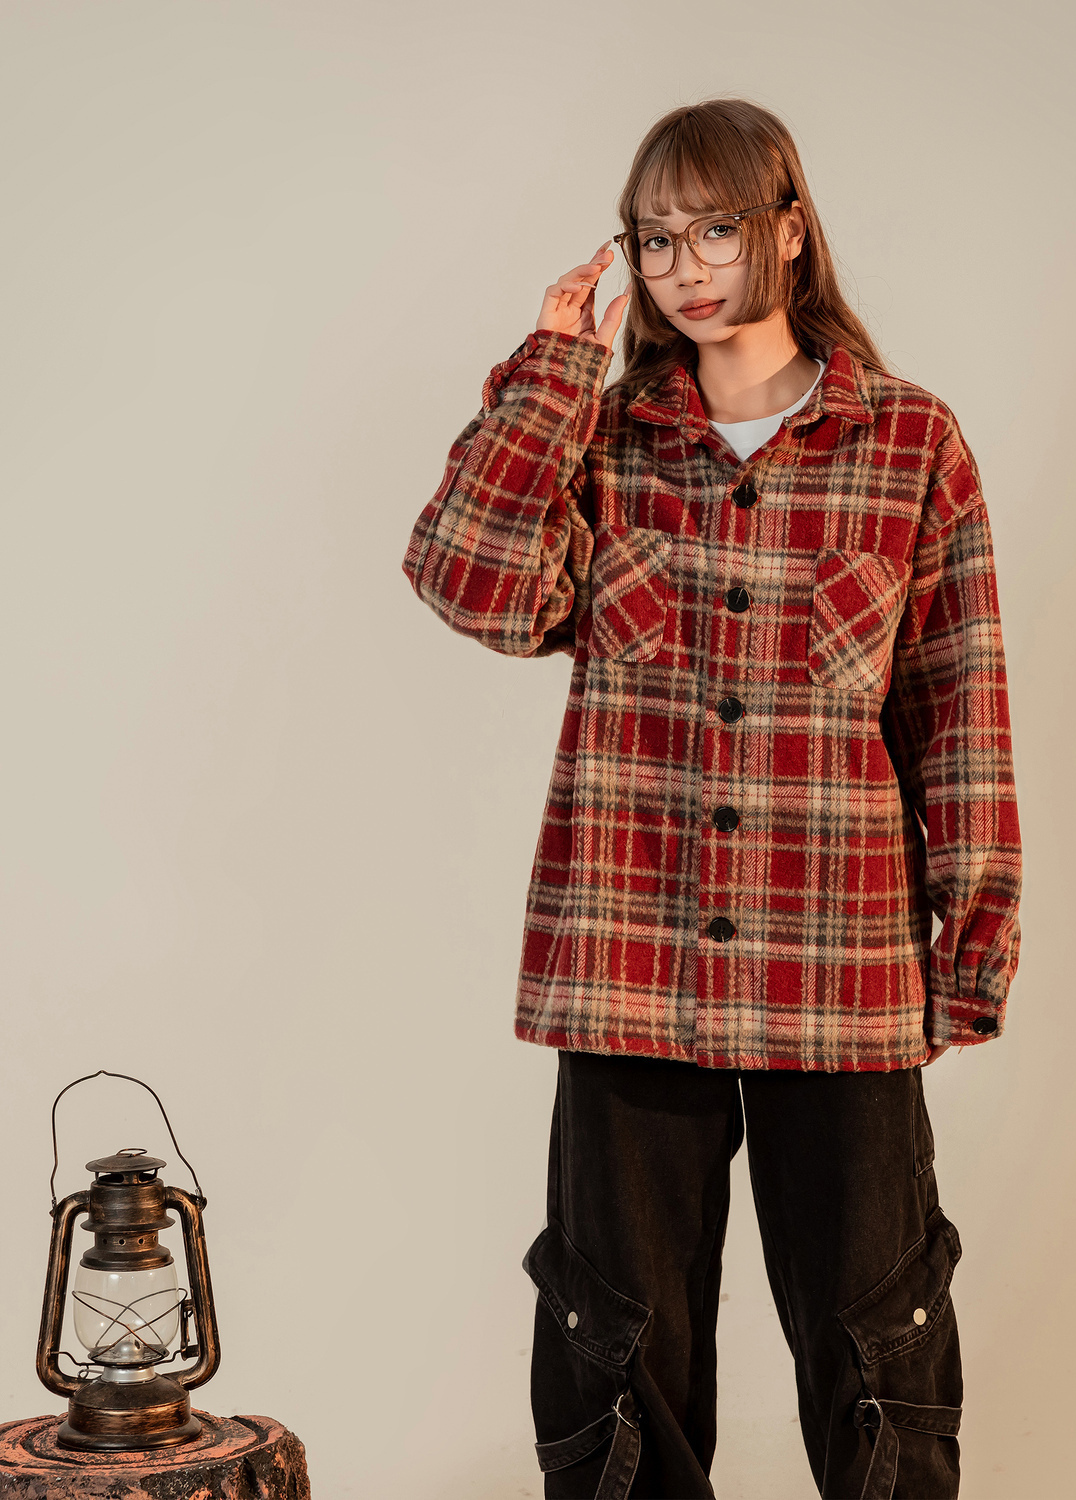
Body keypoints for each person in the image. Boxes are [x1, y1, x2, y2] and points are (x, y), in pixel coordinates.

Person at [402, 98, 1021, 1500]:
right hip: (629, 960)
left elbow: (960, 711)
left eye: (716, 229)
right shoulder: (603, 434)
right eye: (655, 238)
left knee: (878, 1346)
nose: (683, 266)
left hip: (842, 970)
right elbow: (472, 587)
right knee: (616, 1345)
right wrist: (551, 375)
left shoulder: (909, 444)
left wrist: (969, 949)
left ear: (790, 230)